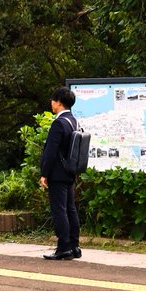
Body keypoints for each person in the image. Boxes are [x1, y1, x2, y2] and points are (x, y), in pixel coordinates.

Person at [39, 86, 81, 260]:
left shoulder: (58, 123)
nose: (51, 103)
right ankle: (74, 246)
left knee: (59, 210)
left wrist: (44, 173)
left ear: (59, 102)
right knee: (70, 209)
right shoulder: (75, 121)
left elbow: (50, 151)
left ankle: (63, 247)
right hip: (70, 171)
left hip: (57, 173)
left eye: (53, 100)